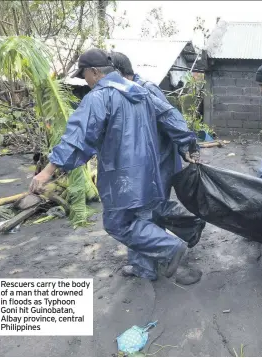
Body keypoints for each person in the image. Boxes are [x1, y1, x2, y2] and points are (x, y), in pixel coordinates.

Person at [29, 49, 201, 282]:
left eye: (85, 75)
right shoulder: (141, 91)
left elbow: (78, 137)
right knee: (143, 218)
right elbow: (170, 116)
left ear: (95, 72)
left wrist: (48, 171)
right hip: (150, 171)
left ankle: (169, 247)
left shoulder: (99, 97)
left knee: (118, 223)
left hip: (122, 174)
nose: (86, 82)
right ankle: (144, 268)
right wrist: (188, 144)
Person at [110, 51, 206, 249]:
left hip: (159, 160)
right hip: (142, 161)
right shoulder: (123, 91)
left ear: (117, 73)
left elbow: (170, 118)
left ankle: (149, 264)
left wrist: (186, 145)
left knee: (146, 209)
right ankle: (188, 227)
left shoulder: (144, 89)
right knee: (147, 208)